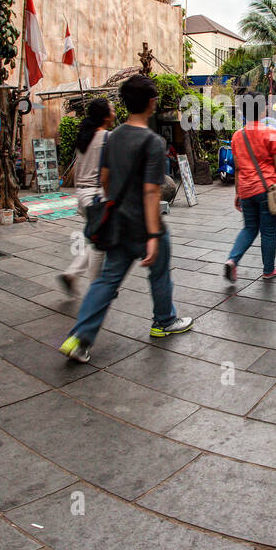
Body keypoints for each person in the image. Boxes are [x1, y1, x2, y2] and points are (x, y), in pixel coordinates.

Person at [59, 75, 189, 364]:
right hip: (144, 225)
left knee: (106, 280)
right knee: (159, 271)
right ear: (151, 103)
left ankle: (79, 337)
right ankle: (164, 321)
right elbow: (152, 191)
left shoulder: (112, 136)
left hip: (117, 222)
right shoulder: (152, 141)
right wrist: (153, 236)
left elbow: (105, 180)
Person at [225, 116, 276, 284]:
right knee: (268, 231)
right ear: (261, 111)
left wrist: (238, 192)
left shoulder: (237, 136)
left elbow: (238, 167)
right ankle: (269, 270)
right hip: (266, 189)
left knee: (249, 228)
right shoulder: (270, 132)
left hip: (246, 189)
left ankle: (232, 260)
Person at [58, 97, 113, 294]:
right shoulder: (107, 137)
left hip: (80, 193)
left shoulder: (85, 136)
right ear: (105, 116)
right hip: (96, 195)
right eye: (112, 110)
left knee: (95, 238)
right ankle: (95, 287)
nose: (114, 113)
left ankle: (72, 275)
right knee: (99, 242)